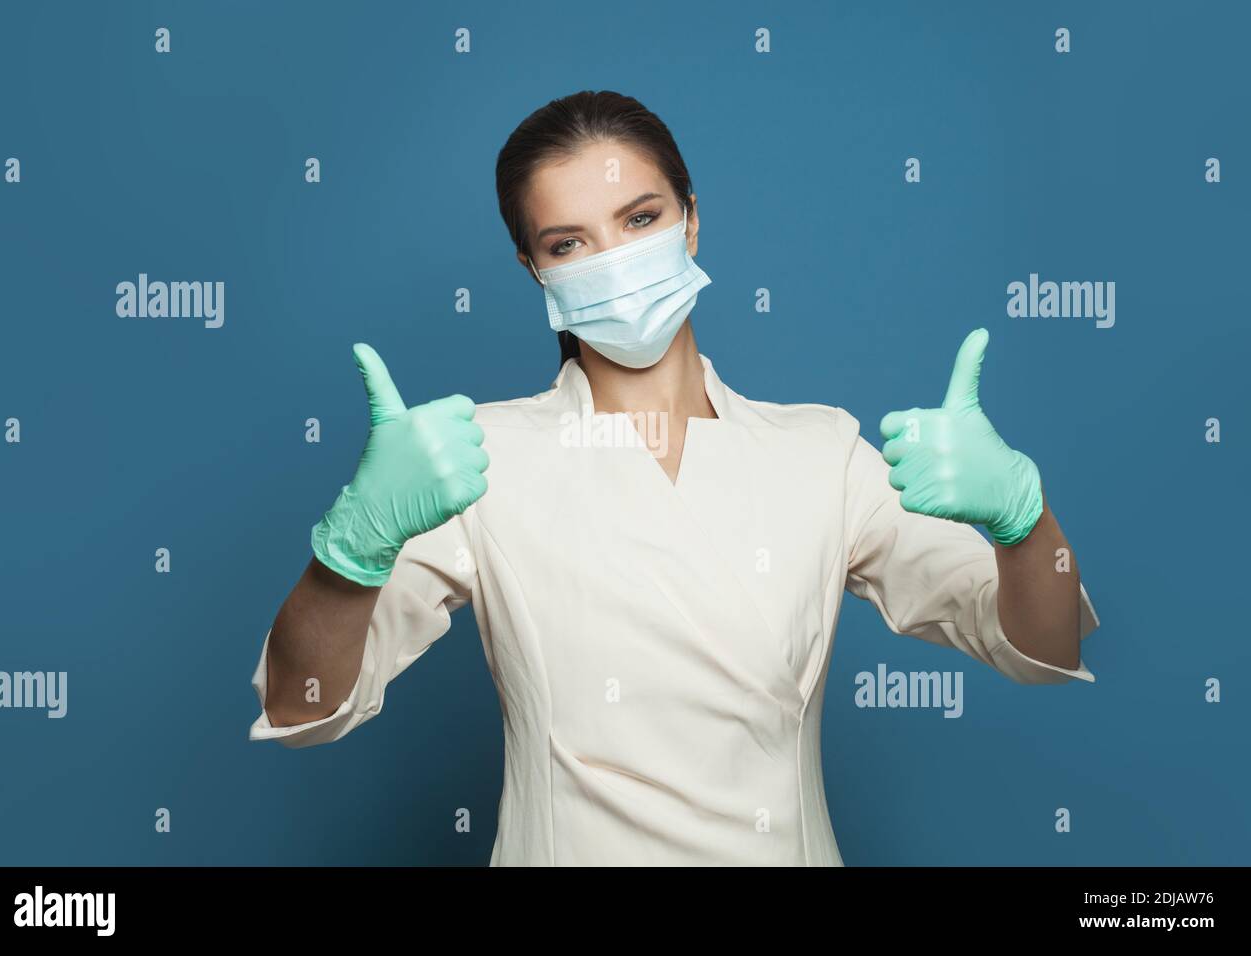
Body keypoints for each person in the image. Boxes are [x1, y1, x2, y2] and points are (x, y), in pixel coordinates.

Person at [247, 90, 1098, 866]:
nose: (612, 260)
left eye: (640, 216)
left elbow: (1041, 650)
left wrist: (1025, 524)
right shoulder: (473, 463)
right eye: (569, 242)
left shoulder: (819, 453)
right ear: (532, 269)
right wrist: (350, 548)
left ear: (691, 222)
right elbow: (303, 707)